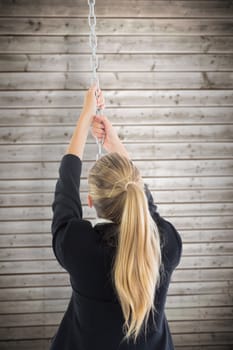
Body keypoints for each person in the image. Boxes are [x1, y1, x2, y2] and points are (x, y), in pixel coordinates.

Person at [50, 85, 183, 350]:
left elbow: (65, 191)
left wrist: (86, 115)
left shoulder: (79, 245)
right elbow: (144, 203)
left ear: (90, 201)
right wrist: (114, 143)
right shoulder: (166, 243)